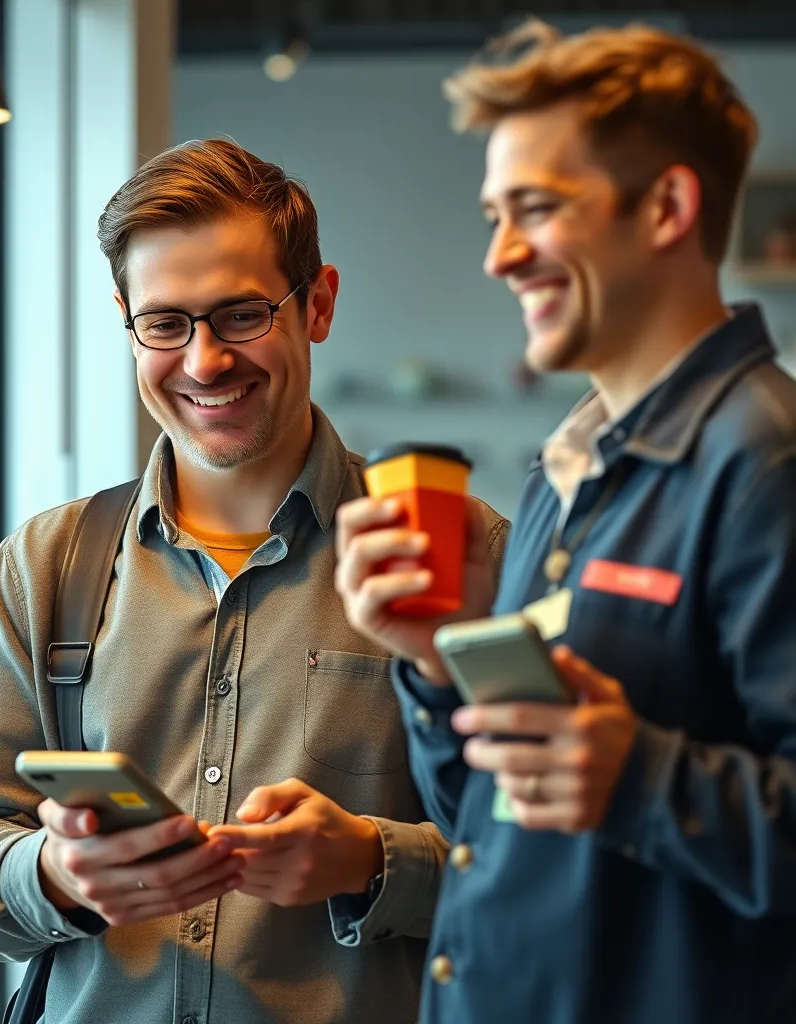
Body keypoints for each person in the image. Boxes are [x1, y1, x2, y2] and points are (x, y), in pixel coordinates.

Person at [0, 139, 509, 1023]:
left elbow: (547, 864)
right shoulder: (46, 566)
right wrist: (55, 873)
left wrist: (372, 863)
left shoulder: (464, 555)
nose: (203, 361)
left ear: (319, 304)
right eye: (165, 323)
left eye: (240, 315)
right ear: (127, 320)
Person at [335, 19, 796, 1024]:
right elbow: (488, 822)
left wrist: (642, 775)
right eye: (493, 214)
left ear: (667, 205)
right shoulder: (562, 471)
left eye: (535, 210)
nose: (499, 255)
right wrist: (434, 665)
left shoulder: (765, 465)